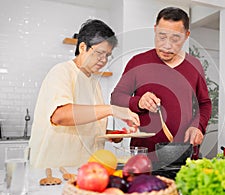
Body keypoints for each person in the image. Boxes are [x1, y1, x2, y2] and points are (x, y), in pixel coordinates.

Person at [29, 19, 140, 168]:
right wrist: (112, 110)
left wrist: (110, 134)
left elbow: (83, 125)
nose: (104, 60)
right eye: (100, 53)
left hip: (85, 170)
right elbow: (60, 116)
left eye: (108, 55)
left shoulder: (94, 82)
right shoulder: (62, 72)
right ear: (82, 47)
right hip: (55, 170)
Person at [111, 7, 212, 161]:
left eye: (175, 39)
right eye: (162, 36)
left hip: (184, 153)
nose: (167, 46)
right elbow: (116, 97)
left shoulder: (194, 65)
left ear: (186, 36)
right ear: (155, 30)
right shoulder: (138, 62)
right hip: (145, 154)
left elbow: (204, 103)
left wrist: (197, 126)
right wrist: (138, 102)